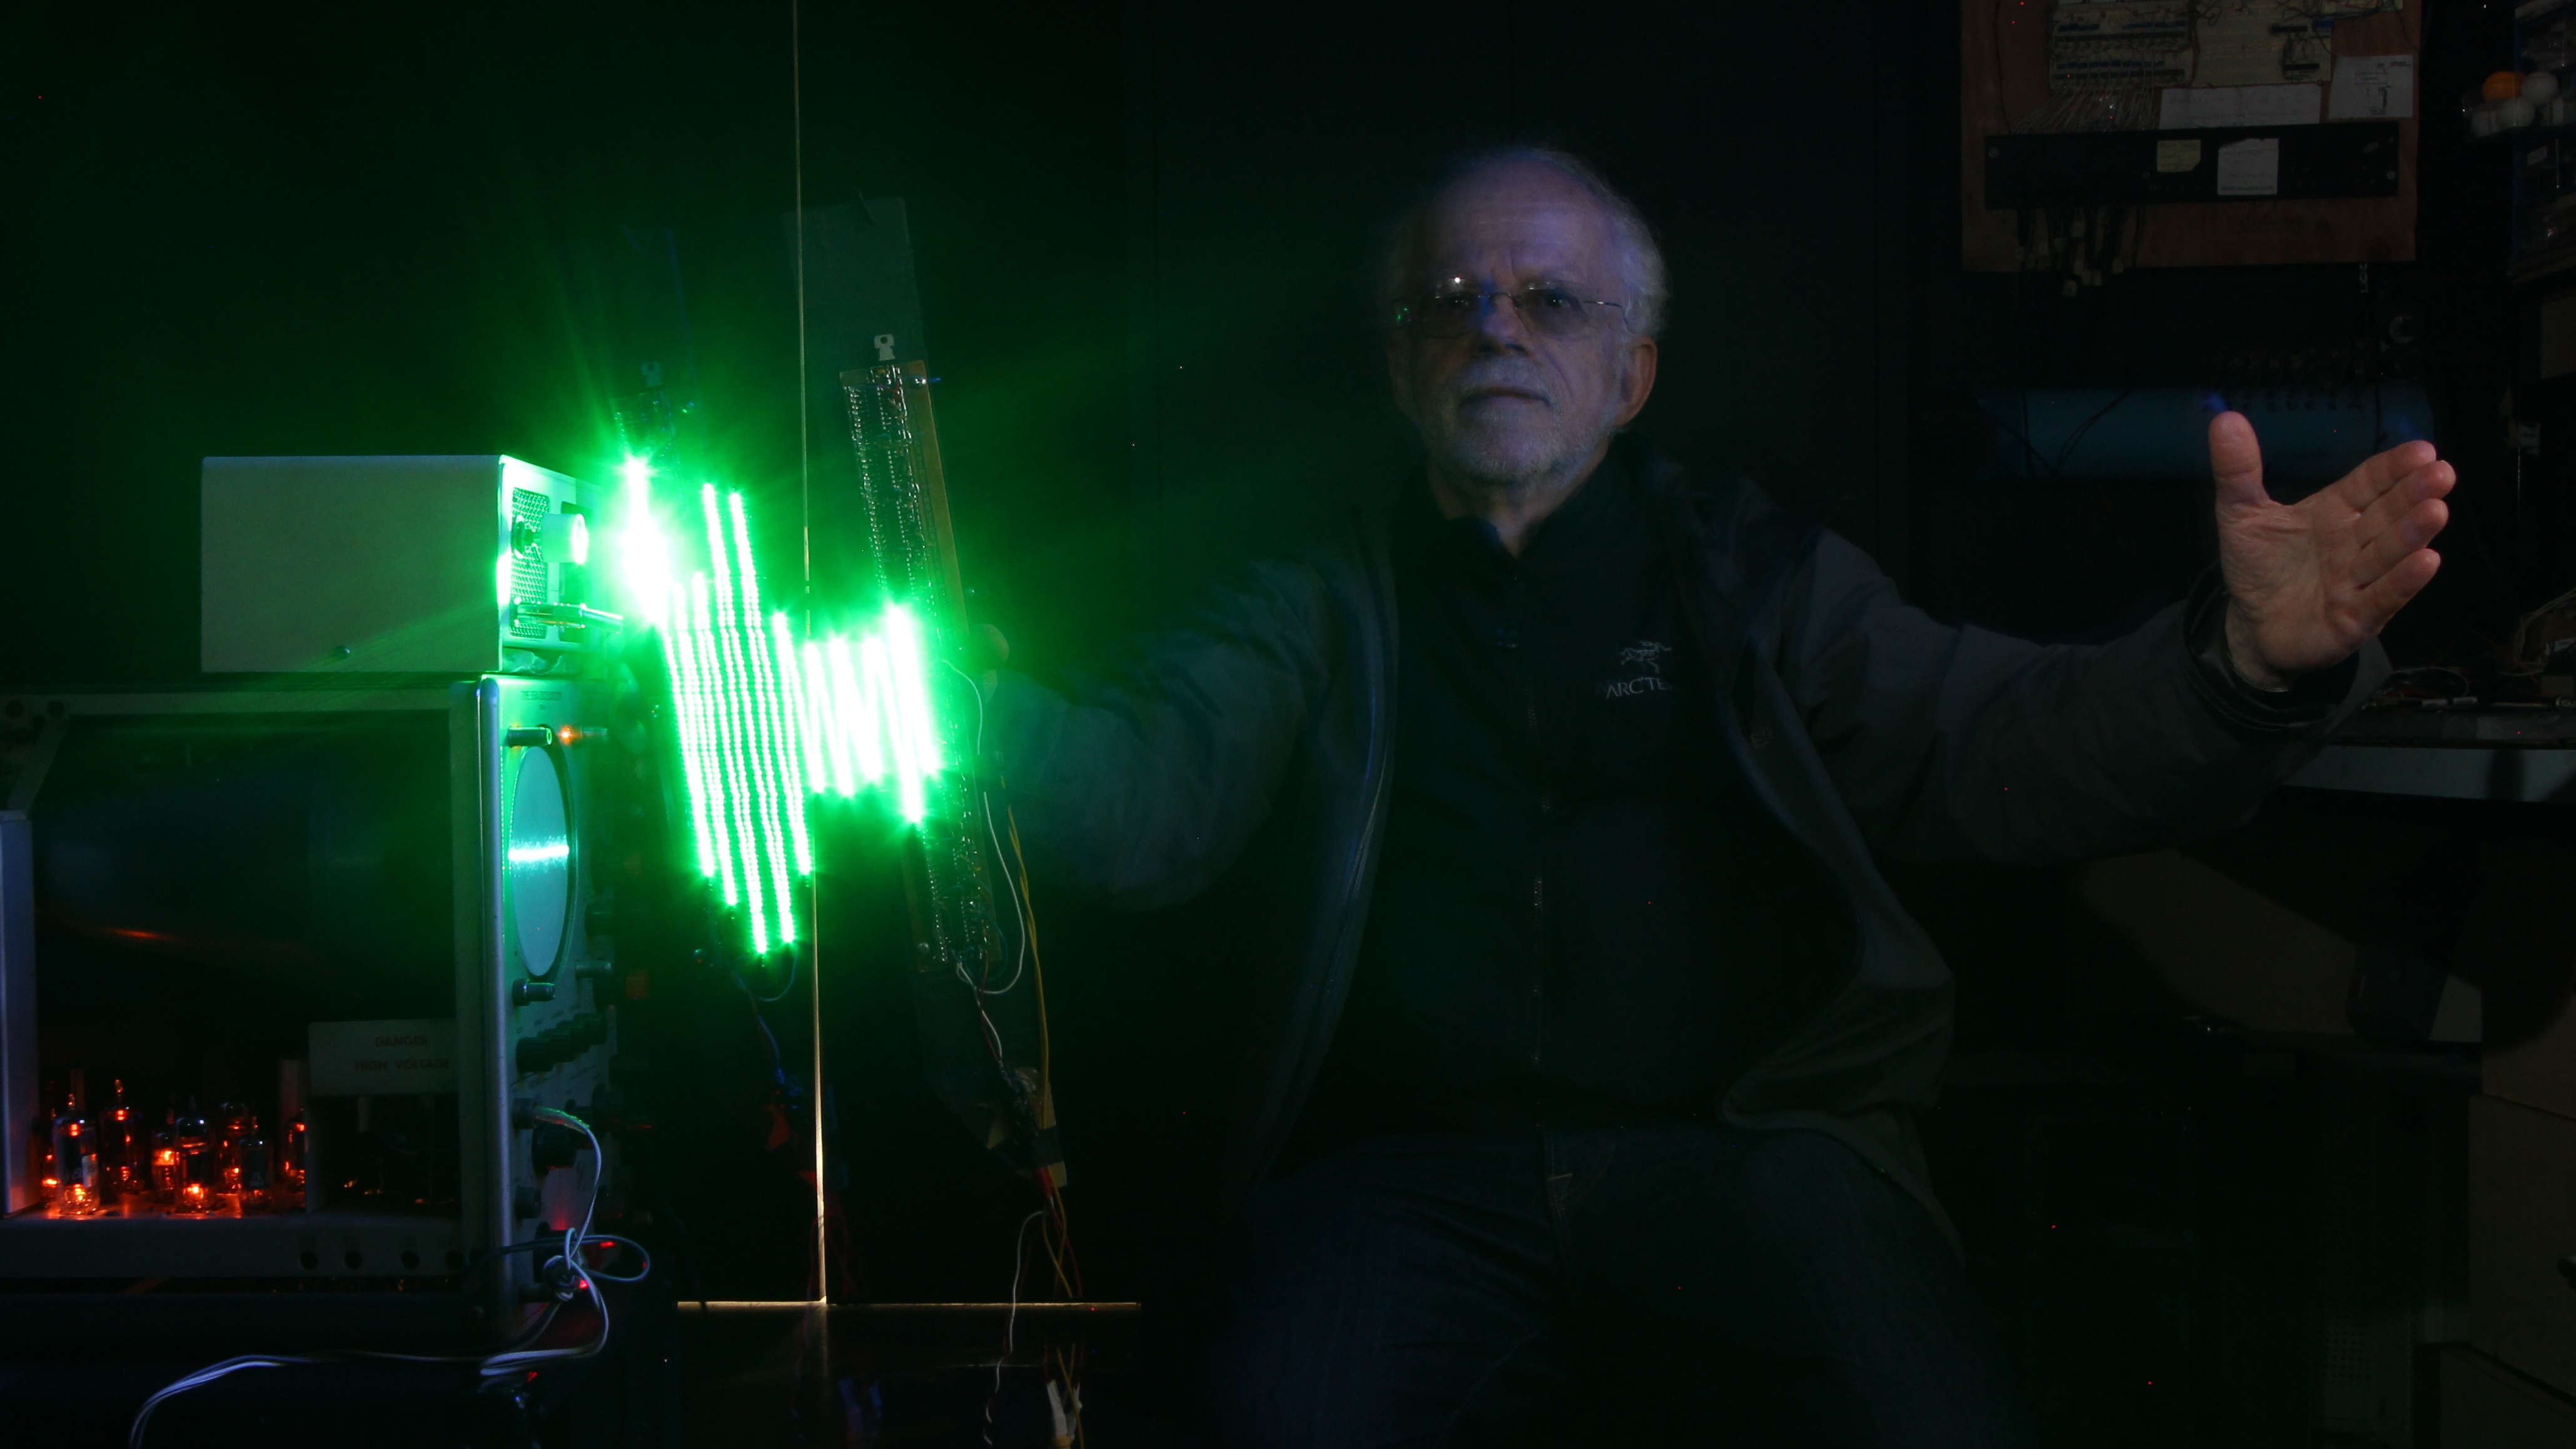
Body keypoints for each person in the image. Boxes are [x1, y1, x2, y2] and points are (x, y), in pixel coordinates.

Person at [984, 147, 2453, 1446]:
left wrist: (2236, 665)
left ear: (1629, 375)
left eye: (1549, 300)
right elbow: (1142, 793)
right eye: (1449, 298)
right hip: (1405, 1178)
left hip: (1751, 1155)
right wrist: (978, 724)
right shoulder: (1314, 600)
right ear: (1397, 360)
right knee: (1284, 1416)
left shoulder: (1751, 576)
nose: (1492, 327)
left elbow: (1993, 738)